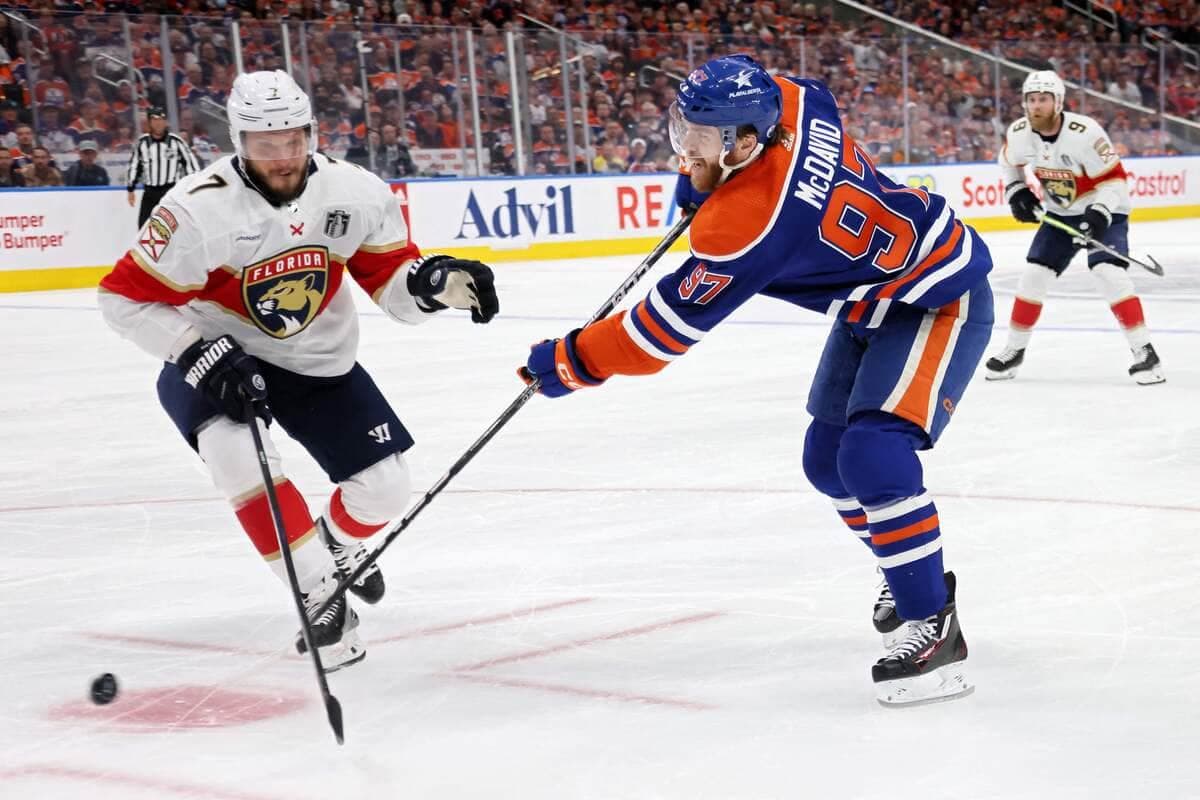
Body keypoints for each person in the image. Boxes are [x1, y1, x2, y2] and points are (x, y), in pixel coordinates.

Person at [519, 54, 994, 706]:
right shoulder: (794, 102)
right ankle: (913, 571)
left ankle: (932, 622)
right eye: (684, 129)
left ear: (745, 143)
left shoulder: (747, 226)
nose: (685, 147)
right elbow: (808, 99)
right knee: (827, 462)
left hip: (938, 296)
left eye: (702, 140)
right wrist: (705, 178)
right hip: (876, 296)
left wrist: (573, 360)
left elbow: (660, 334)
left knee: (873, 454)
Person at [97, 71, 500, 672]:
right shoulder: (195, 209)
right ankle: (318, 592)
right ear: (238, 142)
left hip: (316, 359)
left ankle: (334, 551)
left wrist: (433, 284)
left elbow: (392, 285)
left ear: (311, 132)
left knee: (386, 488)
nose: (283, 156)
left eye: (293, 139)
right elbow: (120, 299)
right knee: (238, 457)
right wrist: (191, 350)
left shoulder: (354, 192)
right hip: (216, 359)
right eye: (265, 144)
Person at [987, 71, 1164, 384]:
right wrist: (1016, 190)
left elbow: (1114, 180)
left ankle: (1145, 353)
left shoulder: (1085, 133)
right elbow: (1007, 161)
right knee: (1033, 277)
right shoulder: (1019, 132)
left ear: (1058, 102)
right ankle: (1014, 351)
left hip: (1106, 208)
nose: (1036, 106)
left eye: (1043, 99)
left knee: (1108, 273)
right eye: (1031, 99)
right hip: (1060, 215)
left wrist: (1098, 214)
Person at [125, 106, 201, 228]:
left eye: (161, 119)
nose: (158, 123)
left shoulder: (176, 142)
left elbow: (191, 165)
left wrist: (193, 187)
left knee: (174, 226)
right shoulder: (142, 143)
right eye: (154, 119)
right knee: (144, 227)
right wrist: (130, 189)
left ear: (165, 122)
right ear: (149, 122)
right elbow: (134, 165)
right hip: (149, 192)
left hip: (170, 191)